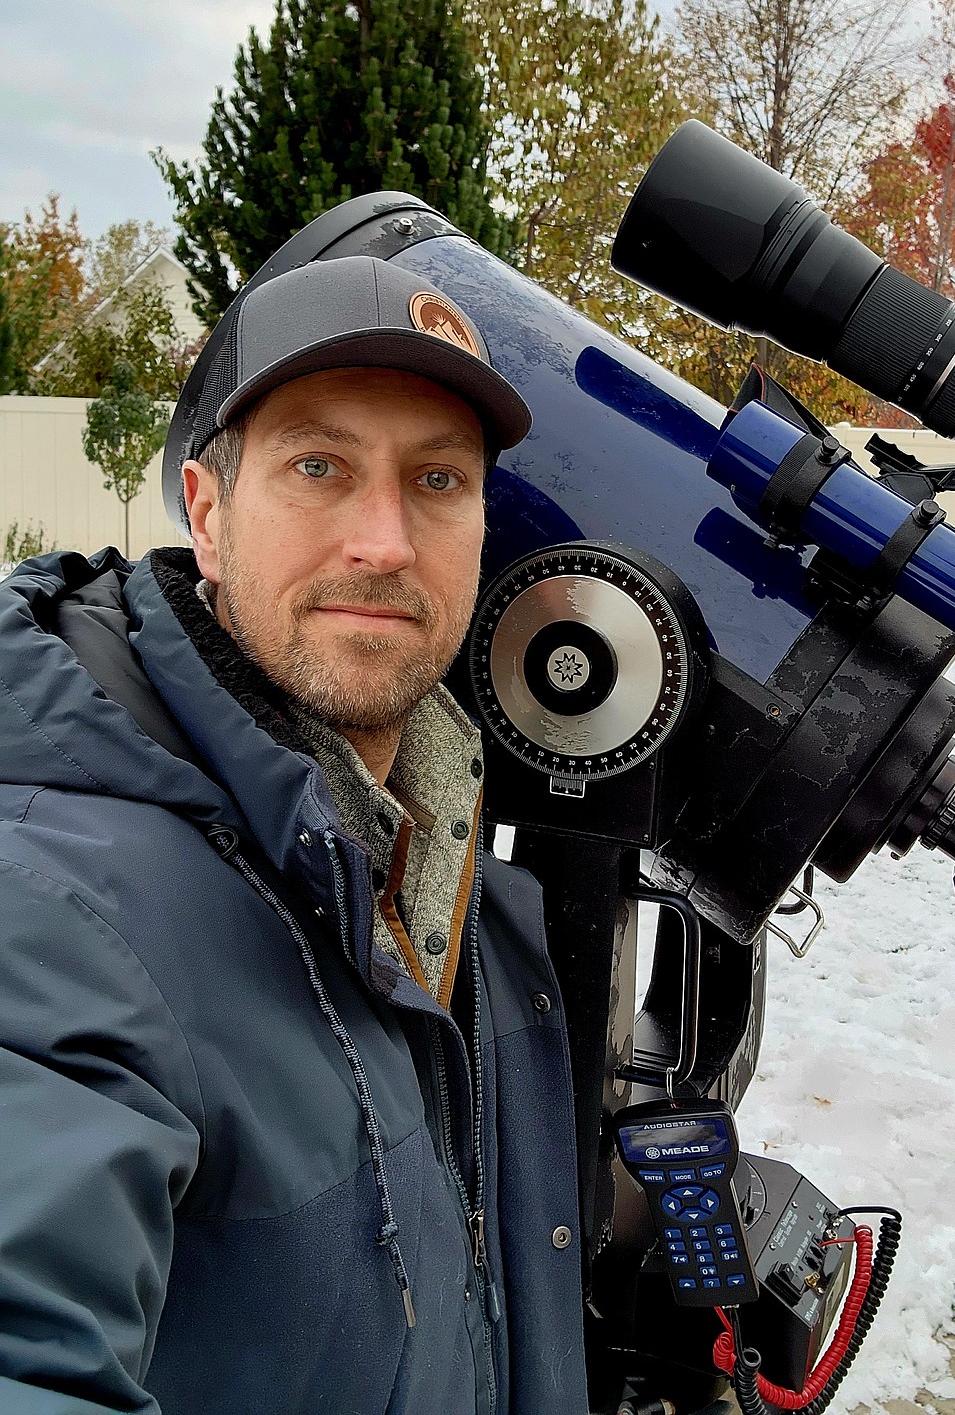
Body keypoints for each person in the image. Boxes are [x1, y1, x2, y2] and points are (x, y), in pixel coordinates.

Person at [0, 253, 589, 1414]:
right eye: (319, 466)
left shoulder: (457, 875)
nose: (384, 540)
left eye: (438, 480)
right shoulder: (53, 912)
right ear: (208, 517)